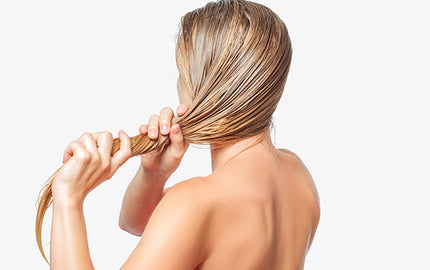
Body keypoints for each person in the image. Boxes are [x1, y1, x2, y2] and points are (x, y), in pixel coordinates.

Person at [43, 0, 320, 269]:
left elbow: (180, 224)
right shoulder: (299, 175)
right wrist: (154, 175)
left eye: (181, 71)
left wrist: (69, 198)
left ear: (202, 86)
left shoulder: (197, 202)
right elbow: (134, 223)